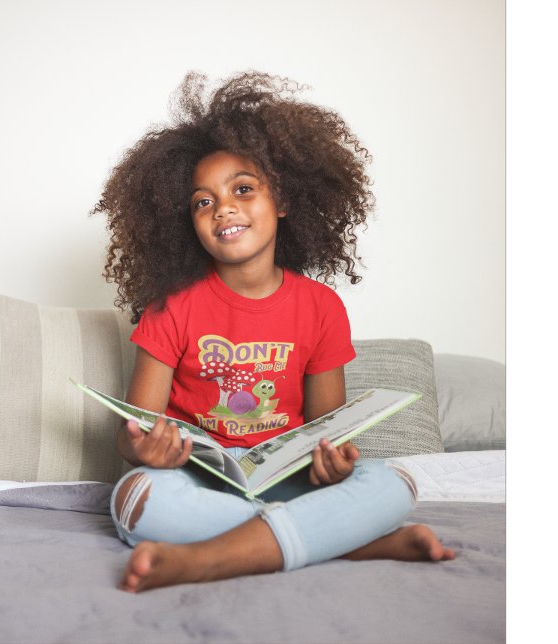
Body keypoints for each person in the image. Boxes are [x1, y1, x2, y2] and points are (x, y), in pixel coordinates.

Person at [93, 71, 455, 593]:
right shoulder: (170, 307)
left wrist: (332, 466)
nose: (223, 208)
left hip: (288, 481)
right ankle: (349, 542)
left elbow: (328, 433)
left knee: (394, 482)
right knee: (137, 499)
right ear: (187, 221)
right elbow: (133, 436)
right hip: (196, 479)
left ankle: (205, 558)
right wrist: (145, 452)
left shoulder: (321, 307)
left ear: (282, 202)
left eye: (243, 189)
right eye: (202, 201)